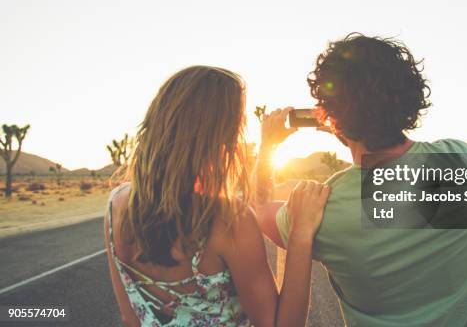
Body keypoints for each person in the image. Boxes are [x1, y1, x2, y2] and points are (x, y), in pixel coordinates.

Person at [256, 34, 467, 327]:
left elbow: (259, 208)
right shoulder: (459, 156)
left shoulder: (327, 210)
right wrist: (350, 128)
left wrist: (267, 147)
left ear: (332, 114)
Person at [104, 66, 330, 327]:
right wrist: (301, 233)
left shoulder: (116, 205)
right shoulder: (229, 222)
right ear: (220, 135)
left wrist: (268, 148)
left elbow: (130, 316)